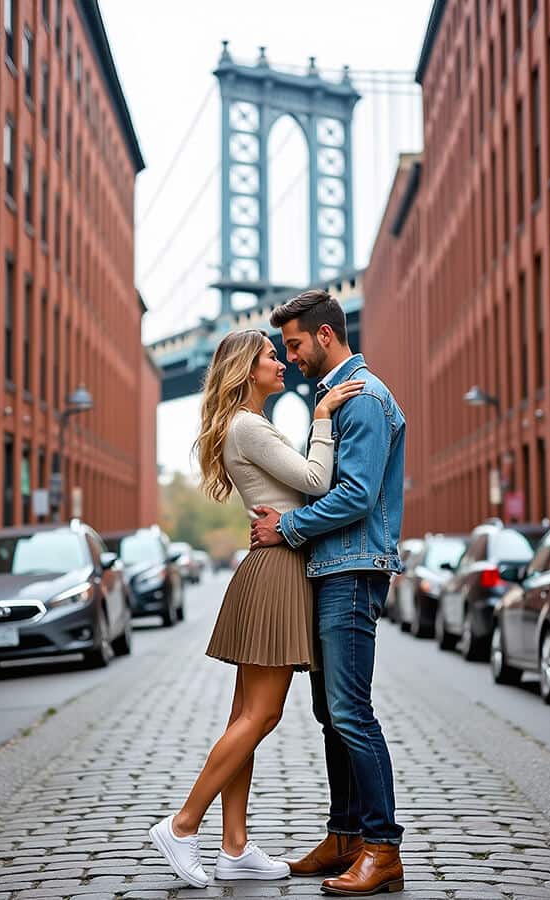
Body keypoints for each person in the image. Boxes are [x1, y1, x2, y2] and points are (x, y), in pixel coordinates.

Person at [148, 328, 365, 889]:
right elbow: (317, 483)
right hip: (277, 574)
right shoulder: (248, 425)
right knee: (261, 716)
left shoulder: (247, 426)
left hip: (268, 570)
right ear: (248, 369)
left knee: (242, 715)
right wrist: (322, 418)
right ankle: (182, 825)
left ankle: (235, 847)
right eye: (272, 355)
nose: (282, 362)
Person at [250, 289, 406, 897]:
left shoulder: (363, 398)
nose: (290, 358)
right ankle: (344, 837)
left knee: (350, 712)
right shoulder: (335, 399)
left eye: (293, 345)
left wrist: (284, 527)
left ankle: (382, 847)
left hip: (352, 569)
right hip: (331, 567)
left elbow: (358, 494)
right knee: (329, 714)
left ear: (324, 335)